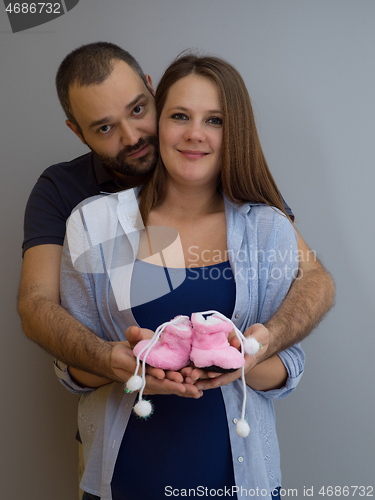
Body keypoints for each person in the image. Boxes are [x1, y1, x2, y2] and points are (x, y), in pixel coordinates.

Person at [17, 43, 334, 395]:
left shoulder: (234, 191)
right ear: (78, 132)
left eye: (138, 109)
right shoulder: (69, 195)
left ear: (153, 92)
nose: (133, 136)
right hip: (119, 423)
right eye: (105, 128)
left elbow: (312, 274)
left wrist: (264, 344)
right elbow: (36, 303)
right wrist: (106, 358)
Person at [57, 53, 306, 500]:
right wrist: (121, 362)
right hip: (123, 480)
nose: (195, 133)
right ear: (158, 119)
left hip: (239, 484)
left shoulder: (266, 229)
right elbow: (72, 365)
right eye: (179, 116)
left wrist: (237, 365)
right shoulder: (96, 224)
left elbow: (290, 364)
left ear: (236, 132)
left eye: (215, 119)